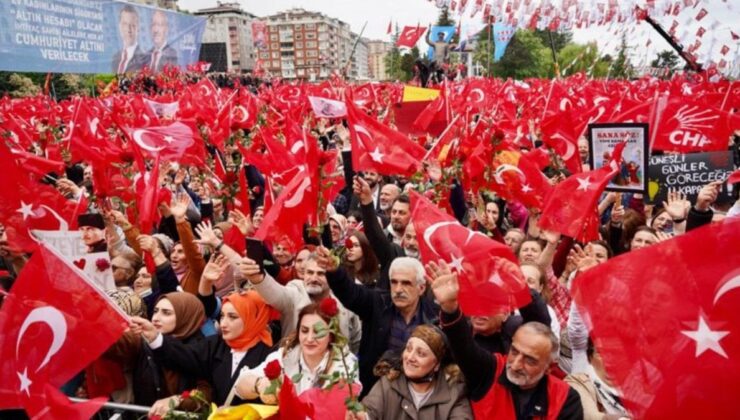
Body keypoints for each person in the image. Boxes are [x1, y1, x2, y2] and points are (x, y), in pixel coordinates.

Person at [427, 261, 583, 419]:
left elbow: (540, 321)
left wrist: (520, 287)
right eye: (514, 352)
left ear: (549, 367)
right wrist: (450, 308)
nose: (515, 364)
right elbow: (462, 345)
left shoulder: (565, 398)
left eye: (530, 360)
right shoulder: (490, 371)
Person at [318, 249, 438, 395]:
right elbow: (351, 293)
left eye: (406, 283)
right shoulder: (377, 303)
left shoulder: (434, 317)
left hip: (416, 396)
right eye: (394, 282)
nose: (398, 289)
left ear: (421, 288)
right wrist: (335, 271)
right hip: (375, 392)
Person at [130, 290, 274, 406]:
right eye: (222, 316)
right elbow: (185, 356)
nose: (223, 323)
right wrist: (154, 337)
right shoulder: (215, 344)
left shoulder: (269, 355)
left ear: (254, 318)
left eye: (233, 317)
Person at [234, 300, 360, 401]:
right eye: (304, 331)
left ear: (331, 335)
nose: (310, 339)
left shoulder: (345, 361)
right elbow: (239, 385)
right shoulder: (286, 355)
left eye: (318, 332)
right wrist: (259, 385)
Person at [242, 253, 362, 354]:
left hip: (335, 372)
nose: (314, 278)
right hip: (296, 371)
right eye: (310, 272)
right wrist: (258, 278)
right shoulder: (295, 293)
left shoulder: (344, 301)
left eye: (321, 274)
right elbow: (276, 294)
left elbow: (356, 342)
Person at [350, 325, 472, 419]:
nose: (410, 357)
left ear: (437, 365)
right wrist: (362, 417)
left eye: (421, 354)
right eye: (408, 349)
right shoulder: (388, 384)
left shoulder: (454, 394)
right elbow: (370, 411)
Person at [112, 5, 146, 74]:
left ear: (138, 28)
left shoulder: (144, 59)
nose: (128, 29)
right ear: (120, 27)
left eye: (133, 25)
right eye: (125, 24)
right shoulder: (115, 58)